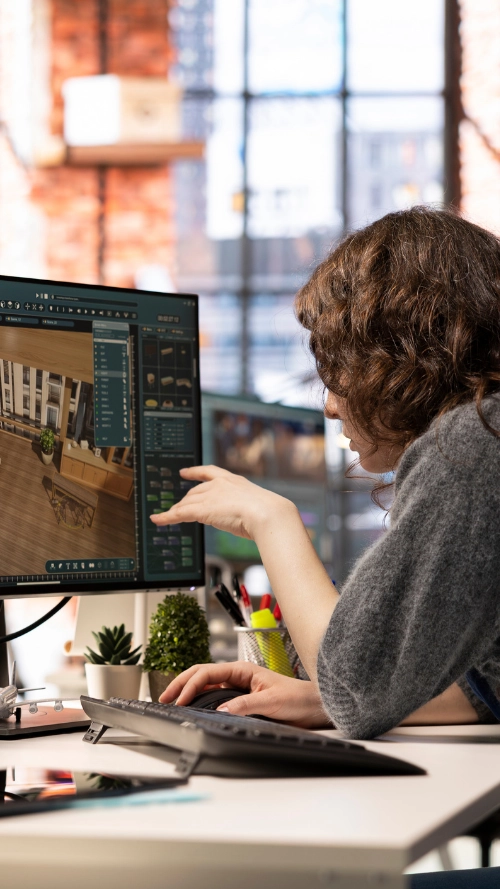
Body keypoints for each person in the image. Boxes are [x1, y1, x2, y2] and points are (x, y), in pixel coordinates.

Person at [151, 206, 500, 888]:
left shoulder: (476, 442)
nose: (332, 405)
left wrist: (272, 521)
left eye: (339, 369)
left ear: (402, 357)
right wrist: (324, 700)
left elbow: (356, 688)